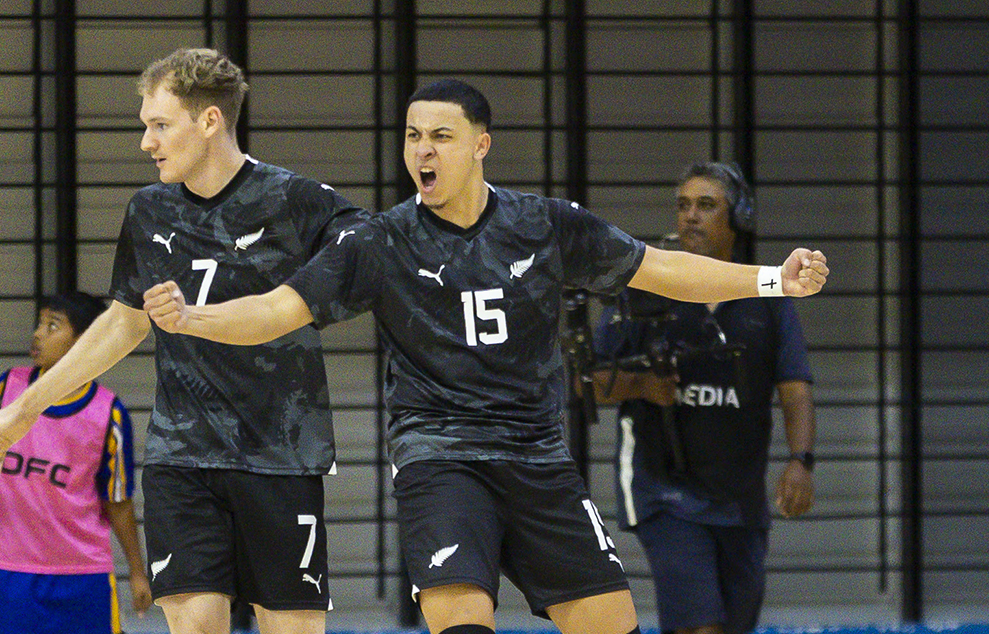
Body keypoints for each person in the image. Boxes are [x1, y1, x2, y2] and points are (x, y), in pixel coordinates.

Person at [126, 79, 828, 634]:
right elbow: (280, 309)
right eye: (412, 137)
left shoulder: (544, 224)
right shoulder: (379, 242)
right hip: (440, 458)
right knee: (461, 618)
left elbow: (661, 269)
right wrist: (193, 318)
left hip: (536, 456)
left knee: (611, 621)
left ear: (480, 145)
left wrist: (773, 280)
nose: (422, 152)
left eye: (441, 136)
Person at [0, 47, 367, 634]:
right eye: (145, 126)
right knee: (194, 623)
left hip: (279, 455)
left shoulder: (297, 201)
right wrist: (27, 408)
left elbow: (374, 265)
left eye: (160, 125)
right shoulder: (149, 210)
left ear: (210, 121)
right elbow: (123, 322)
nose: (146, 142)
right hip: (182, 454)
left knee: (291, 626)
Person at [591, 163, 817, 634]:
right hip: (664, 491)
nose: (690, 216)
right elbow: (586, 380)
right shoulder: (647, 288)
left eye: (706, 205)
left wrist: (801, 460)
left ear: (739, 218)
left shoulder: (769, 299)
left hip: (740, 498)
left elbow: (795, 390)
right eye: (683, 205)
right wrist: (641, 385)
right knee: (700, 627)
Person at [0, 291, 151, 634]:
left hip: (81, 574)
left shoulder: (108, 412)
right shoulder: (9, 387)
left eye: (52, 326)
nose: (37, 334)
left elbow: (118, 503)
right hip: (4, 567)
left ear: (85, 342)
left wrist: (137, 571)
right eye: (39, 324)